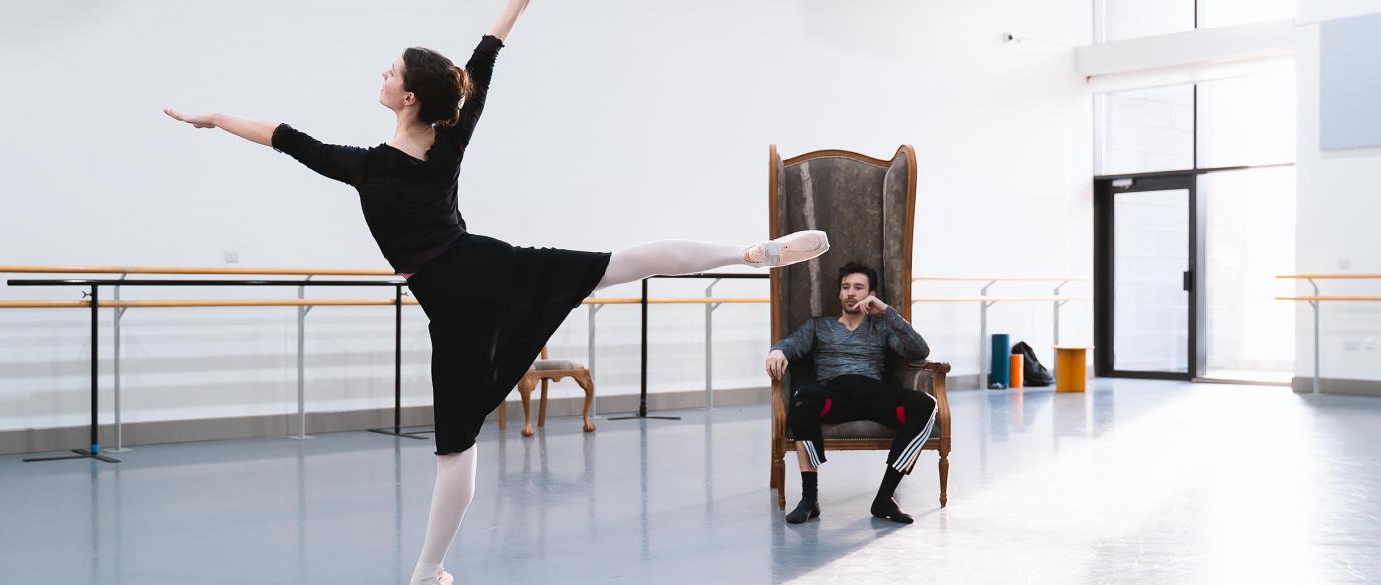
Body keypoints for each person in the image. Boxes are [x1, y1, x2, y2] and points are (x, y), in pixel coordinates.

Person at [164, 1, 829, 582]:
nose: (382, 76)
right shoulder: (448, 141)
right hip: (489, 268)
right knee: (618, 264)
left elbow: (287, 139)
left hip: (452, 302)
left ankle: (428, 570)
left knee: (458, 444)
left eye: (390, 72)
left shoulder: (366, 168)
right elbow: (489, 50)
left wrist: (215, 118)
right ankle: (747, 253)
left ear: (409, 97)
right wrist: (518, 5)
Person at [765, 261, 936, 525]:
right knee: (803, 398)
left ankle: (885, 498)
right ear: (839, 293)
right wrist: (778, 350)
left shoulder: (881, 327)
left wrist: (887, 312)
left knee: (926, 404)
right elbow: (792, 343)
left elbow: (920, 351)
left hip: (874, 396)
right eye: (846, 287)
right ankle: (809, 499)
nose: (851, 293)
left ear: (870, 294)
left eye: (858, 287)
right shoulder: (819, 326)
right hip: (836, 397)